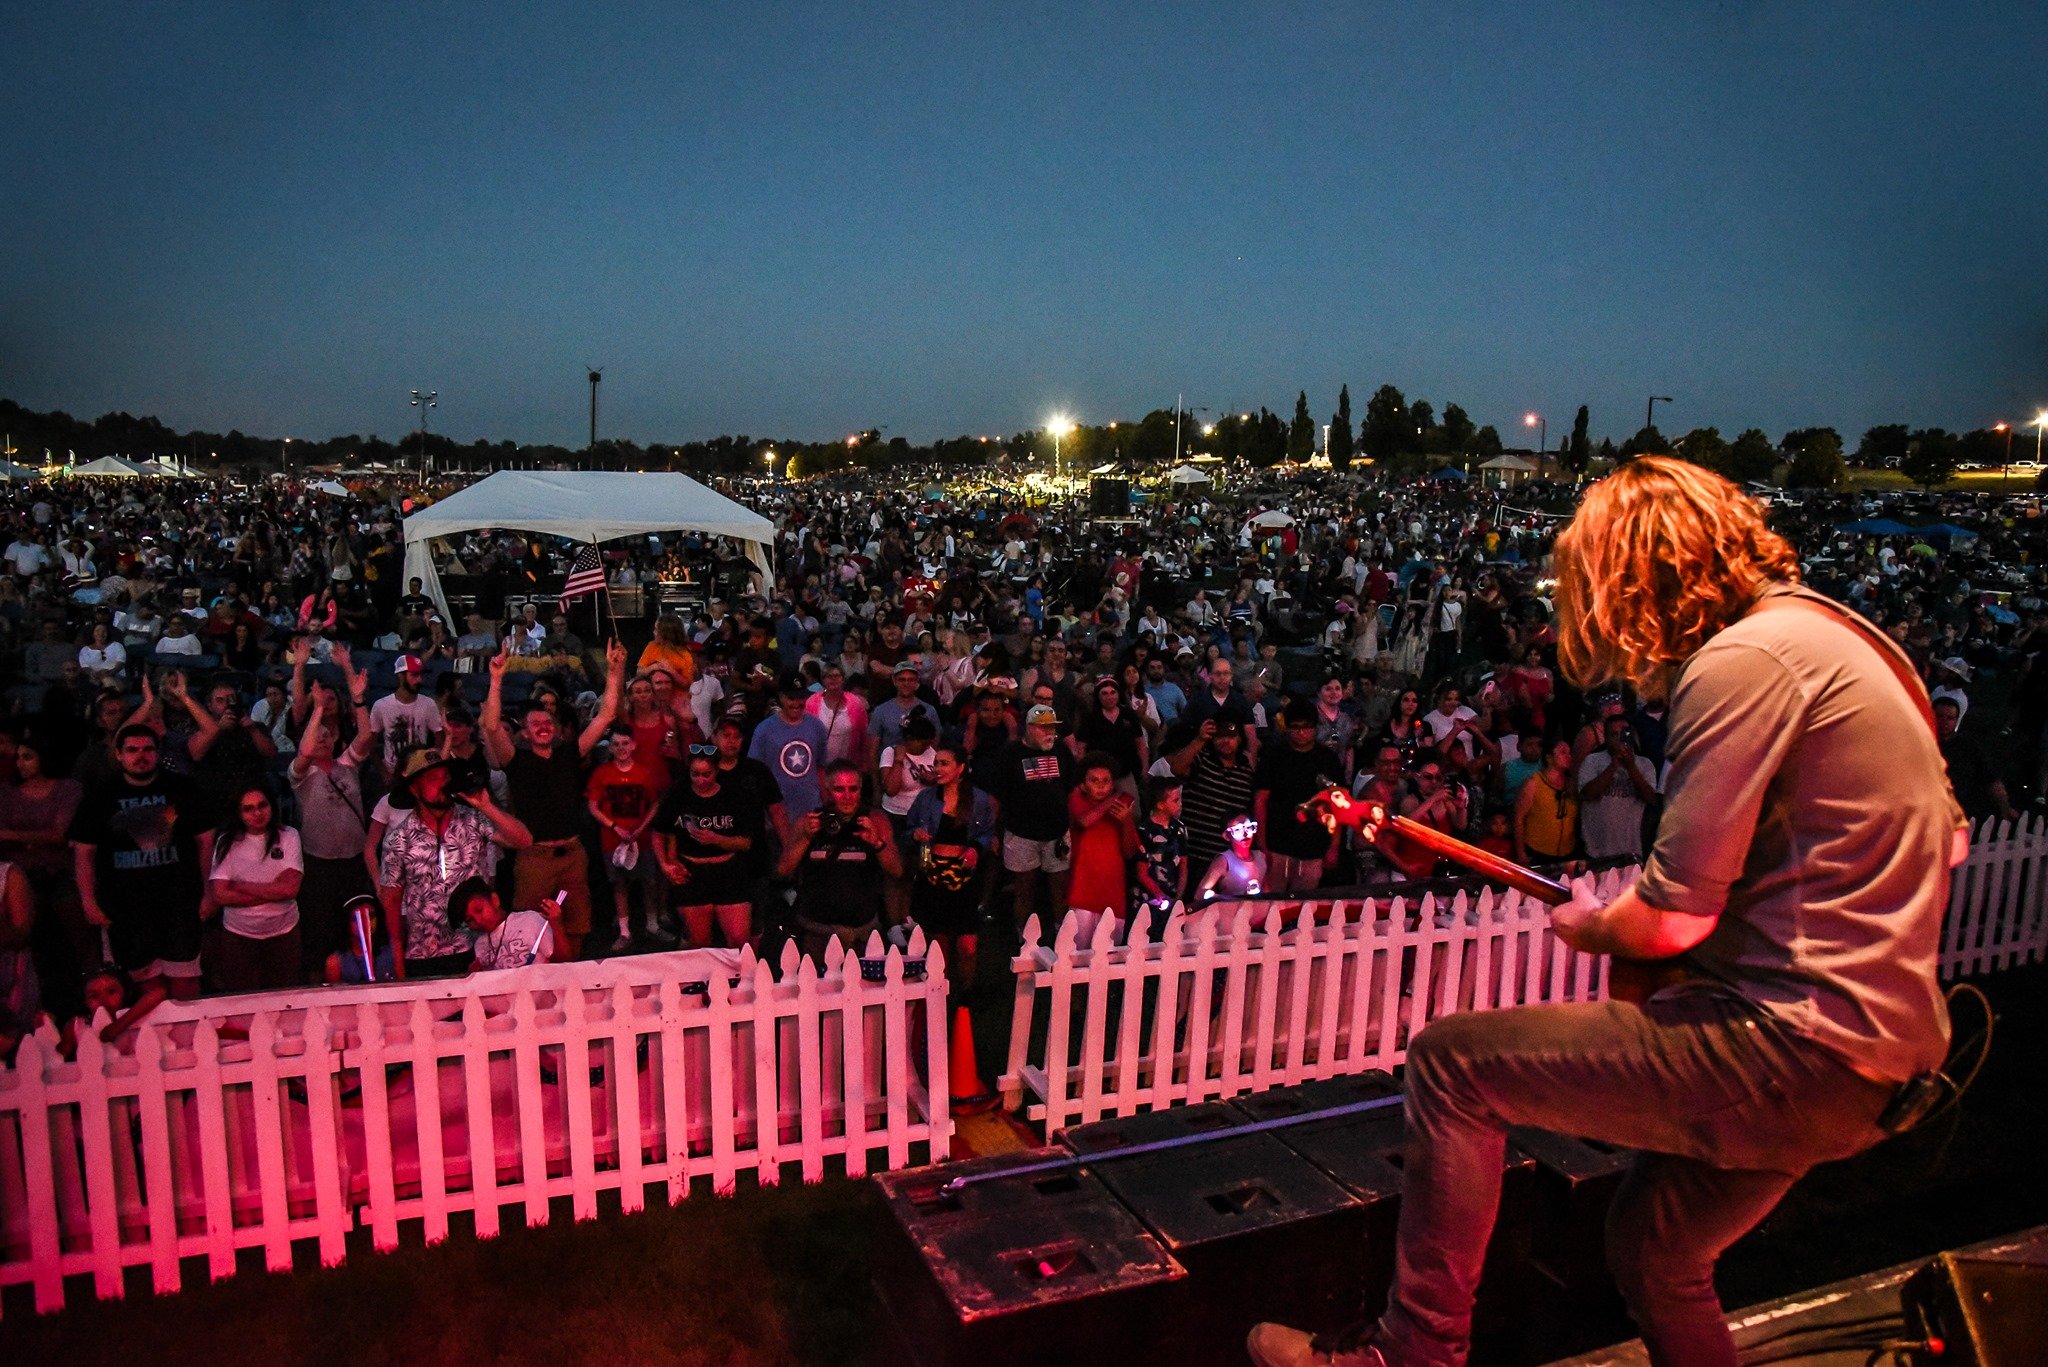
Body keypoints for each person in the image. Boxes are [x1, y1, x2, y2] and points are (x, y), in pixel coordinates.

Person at [1250, 455, 1963, 1367]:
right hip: (1886, 1061)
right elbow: (1946, 845)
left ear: (1643, 570)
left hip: (1785, 1042)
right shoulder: (1851, 642)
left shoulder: (1743, 658)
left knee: (1452, 1066)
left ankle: (1414, 1350)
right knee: (1656, 1252)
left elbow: (1672, 918)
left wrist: (1595, 924)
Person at [481, 637, 626, 959]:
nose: (543, 727)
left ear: (557, 728)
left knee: (576, 926)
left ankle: (569, 975)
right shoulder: (515, 760)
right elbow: (491, 727)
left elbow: (605, 716)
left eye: (548, 722)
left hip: (573, 854)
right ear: (524, 731)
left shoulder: (570, 753)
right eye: (535, 724)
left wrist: (615, 673)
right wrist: (496, 679)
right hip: (535, 858)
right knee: (529, 928)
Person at [69, 724, 216, 1001]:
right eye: (133, 750)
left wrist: (208, 893)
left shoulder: (183, 788)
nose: (141, 756)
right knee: (148, 989)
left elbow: (206, 842)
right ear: (119, 754)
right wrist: (88, 901)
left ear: (158, 752)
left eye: (148, 749)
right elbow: (84, 852)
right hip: (126, 906)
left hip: (179, 901)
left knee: (185, 984)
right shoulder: (100, 795)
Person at [378, 747, 533, 979]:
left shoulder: (473, 820)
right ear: (414, 788)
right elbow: (391, 901)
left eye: (445, 776)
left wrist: (485, 806)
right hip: (423, 954)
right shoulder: (398, 840)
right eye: (432, 778)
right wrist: (399, 963)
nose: (442, 783)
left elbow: (524, 841)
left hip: (475, 949)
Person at [779, 759, 902, 961]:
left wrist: (876, 842)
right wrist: (806, 838)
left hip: (862, 932)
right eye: (839, 789)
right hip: (817, 931)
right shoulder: (808, 821)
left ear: (861, 790)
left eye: (853, 789)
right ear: (827, 791)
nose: (847, 796)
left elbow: (896, 871)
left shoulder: (875, 820)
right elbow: (784, 869)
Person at [904, 743, 996, 989]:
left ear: (960, 768)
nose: (937, 768)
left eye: (944, 763)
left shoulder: (978, 799)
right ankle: (940, 993)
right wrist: (915, 835)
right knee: (939, 942)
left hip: (964, 877)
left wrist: (975, 848)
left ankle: (966, 993)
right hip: (933, 876)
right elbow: (907, 831)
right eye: (936, 763)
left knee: (967, 946)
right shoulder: (926, 798)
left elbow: (987, 833)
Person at [205, 782, 305, 992]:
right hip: (239, 936)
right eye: (248, 809)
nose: (257, 813)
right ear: (239, 813)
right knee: (242, 998)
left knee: (285, 997)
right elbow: (220, 896)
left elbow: (290, 890)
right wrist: (273, 891)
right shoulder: (226, 841)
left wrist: (239, 885)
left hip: (284, 933)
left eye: (262, 805)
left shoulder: (289, 835)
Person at [655, 750, 758, 950]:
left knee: (739, 941)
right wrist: (665, 864)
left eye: (706, 774)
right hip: (691, 872)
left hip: (728, 870)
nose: (700, 780)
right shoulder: (678, 794)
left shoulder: (734, 796)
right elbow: (659, 832)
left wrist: (716, 839)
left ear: (716, 771)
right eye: (695, 774)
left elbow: (745, 843)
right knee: (700, 943)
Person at [991, 704, 1079, 931]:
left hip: (1056, 832)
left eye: (1052, 728)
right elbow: (998, 795)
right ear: (1028, 728)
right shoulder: (1010, 754)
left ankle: (1062, 931)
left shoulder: (1062, 751)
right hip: (1021, 833)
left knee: (1060, 886)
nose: (1049, 732)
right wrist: (993, 831)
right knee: (1023, 888)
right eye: (1043, 727)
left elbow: (1071, 789)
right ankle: (1024, 935)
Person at [587, 724, 672, 951]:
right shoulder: (602, 773)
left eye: (625, 743)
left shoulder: (644, 773)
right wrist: (614, 827)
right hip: (613, 840)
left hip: (641, 839)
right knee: (619, 884)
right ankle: (625, 931)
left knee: (648, 882)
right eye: (616, 744)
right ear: (610, 748)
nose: (621, 748)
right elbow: (593, 806)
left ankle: (652, 925)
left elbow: (654, 804)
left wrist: (641, 828)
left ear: (633, 745)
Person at [1252, 701, 1345, 895]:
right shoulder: (1274, 756)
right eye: (1295, 727)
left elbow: (1338, 804)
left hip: (1314, 844)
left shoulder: (1327, 759)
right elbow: (1261, 800)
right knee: (1272, 900)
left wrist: (1334, 846)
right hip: (1278, 843)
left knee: (1303, 903)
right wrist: (1261, 843)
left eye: (1306, 727)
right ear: (1287, 728)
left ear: (1315, 727)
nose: (1301, 732)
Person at [1065, 752, 1137, 936]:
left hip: (1113, 891)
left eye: (1106, 781)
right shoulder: (1077, 800)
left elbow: (1129, 852)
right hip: (1083, 890)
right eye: (1094, 781)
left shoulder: (1122, 809)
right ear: (1083, 785)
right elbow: (1084, 821)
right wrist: (1113, 799)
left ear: (1112, 783)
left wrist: (1127, 820)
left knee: (1109, 948)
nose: (1101, 786)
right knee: (1078, 948)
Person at [749, 680, 831, 835]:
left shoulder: (817, 726)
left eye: (801, 697)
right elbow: (755, 774)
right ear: (781, 697)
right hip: (778, 816)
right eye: (791, 698)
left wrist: (827, 803)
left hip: (812, 812)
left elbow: (821, 768)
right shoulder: (764, 730)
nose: (797, 703)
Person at [1576, 714, 1660, 862]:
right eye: (1614, 734)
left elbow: (1651, 799)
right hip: (1596, 848)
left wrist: (1631, 767)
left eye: (1624, 733)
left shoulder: (1645, 764)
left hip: (1630, 849)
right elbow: (1588, 794)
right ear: (1606, 738)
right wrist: (1614, 766)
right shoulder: (1592, 761)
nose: (1620, 738)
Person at [450, 876, 563, 972]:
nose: (478, 920)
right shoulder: (480, 945)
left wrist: (556, 923)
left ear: (495, 900)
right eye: (470, 920)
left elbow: (563, 960)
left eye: (479, 910)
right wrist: (476, 975)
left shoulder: (529, 920)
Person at [1132, 776, 1189, 938]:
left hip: (1172, 897)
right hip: (1148, 900)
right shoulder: (1145, 830)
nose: (1180, 804)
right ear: (1160, 804)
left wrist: (1178, 897)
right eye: (1175, 800)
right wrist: (1161, 897)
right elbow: (1141, 873)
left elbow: (1183, 864)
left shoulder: (1180, 829)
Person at [369, 651, 444, 771]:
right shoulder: (381, 705)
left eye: (420, 675)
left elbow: (439, 737)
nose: (419, 680)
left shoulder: (429, 704)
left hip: (420, 769)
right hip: (392, 769)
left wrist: (431, 762)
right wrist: (383, 772)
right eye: (414, 675)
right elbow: (370, 744)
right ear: (400, 676)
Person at [1514, 739, 1580, 865]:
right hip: (1537, 852)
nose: (1568, 756)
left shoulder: (1571, 784)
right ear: (1549, 758)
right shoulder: (1534, 783)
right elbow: (1519, 818)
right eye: (1563, 752)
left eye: (1569, 753)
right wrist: (1521, 853)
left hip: (1567, 852)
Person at [1195, 813, 1267, 902]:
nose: (1245, 834)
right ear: (1227, 836)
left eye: (1248, 827)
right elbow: (1199, 894)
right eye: (1238, 830)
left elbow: (1266, 890)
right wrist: (1220, 897)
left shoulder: (1261, 858)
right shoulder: (1224, 861)